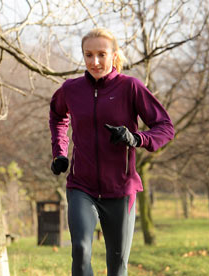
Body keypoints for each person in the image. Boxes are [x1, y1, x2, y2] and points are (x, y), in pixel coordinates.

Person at [49, 28, 175, 275]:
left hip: (120, 190)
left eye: (101, 54)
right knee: (81, 251)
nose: (94, 62)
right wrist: (60, 152)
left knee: (117, 265)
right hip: (81, 187)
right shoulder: (71, 89)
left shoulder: (131, 88)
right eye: (88, 55)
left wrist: (137, 138)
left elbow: (165, 127)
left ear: (114, 55)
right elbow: (57, 116)